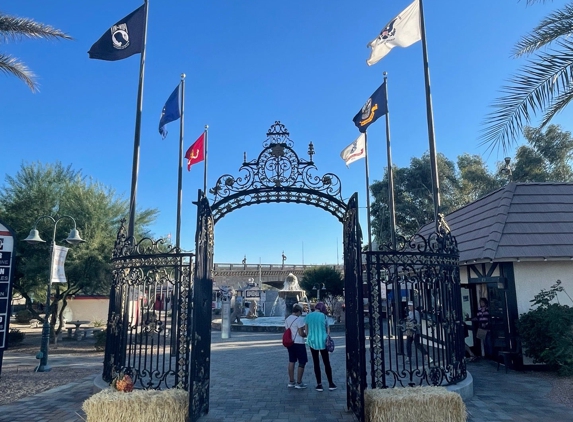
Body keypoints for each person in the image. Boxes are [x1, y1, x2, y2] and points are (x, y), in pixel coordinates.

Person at [305, 302, 337, 392]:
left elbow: (306, 331)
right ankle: (331, 383)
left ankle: (319, 384)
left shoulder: (308, 316)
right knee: (326, 362)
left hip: (312, 341)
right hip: (323, 341)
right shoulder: (324, 316)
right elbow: (328, 330)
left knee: (316, 363)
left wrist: (310, 337)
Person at [285, 304, 308, 389]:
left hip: (290, 343)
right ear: (298, 311)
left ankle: (291, 381)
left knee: (292, 361)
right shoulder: (299, 320)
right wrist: (306, 334)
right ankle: (299, 382)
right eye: (300, 312)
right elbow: (301, 333)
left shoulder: (287, 319)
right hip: (299, 343)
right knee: (302, 361)